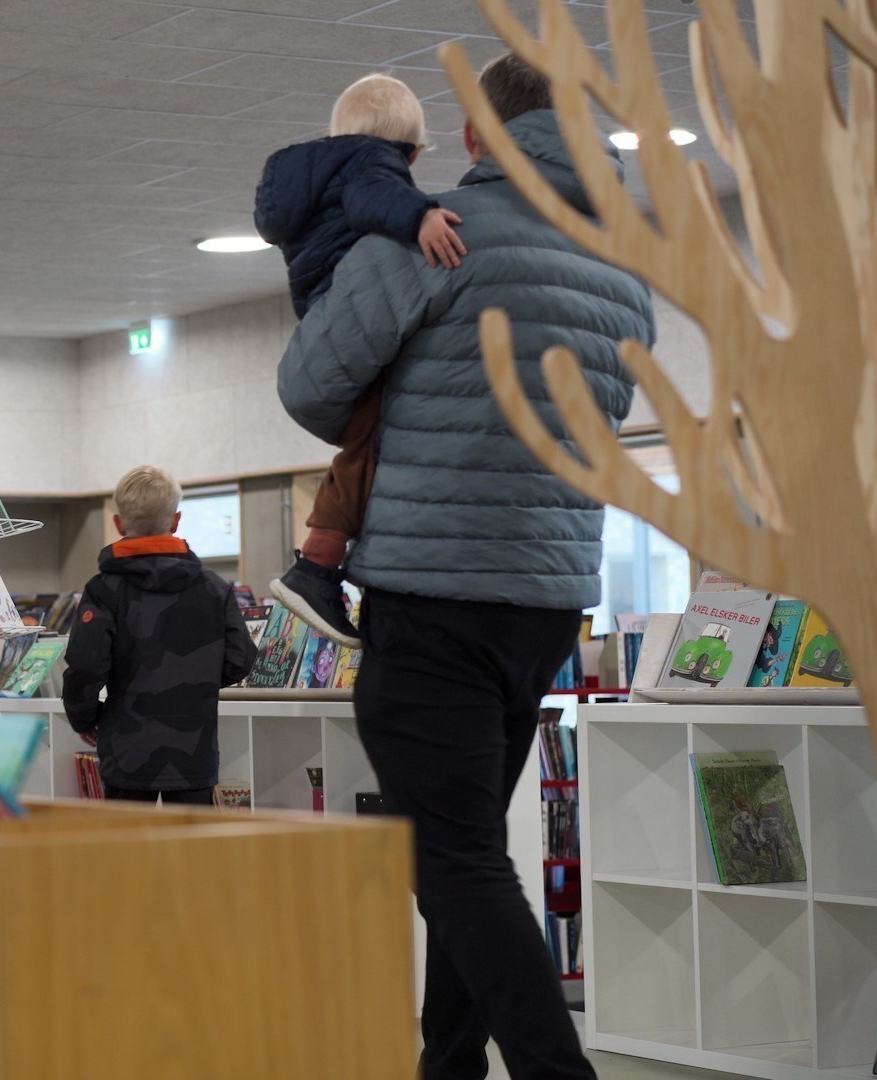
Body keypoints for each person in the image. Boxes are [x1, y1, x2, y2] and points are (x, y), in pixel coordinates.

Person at [278, 54, 654, 1080]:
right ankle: (448, 1067)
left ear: (477, 137)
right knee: (469, 851)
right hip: (548, 600)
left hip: (431, 593)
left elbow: (310, 386)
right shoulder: (622, 265)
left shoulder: (434, 233)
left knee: (451, 859)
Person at [256, 73, 468, 648]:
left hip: (320, 309)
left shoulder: (305, 174)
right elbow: (376, 196)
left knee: (369, 433)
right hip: (347, 303)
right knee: (377, 426)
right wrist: (420, 214)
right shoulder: (372, 165)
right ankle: (319, 561)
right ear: (413, 152)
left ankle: (324, 559)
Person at [61, 466, 257, 805]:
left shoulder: (104, 590)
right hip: (194, 748)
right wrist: (197, 679)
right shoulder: (214, 588)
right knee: (192, 853)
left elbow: (86, 663)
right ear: (176, 520)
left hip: (127, 749)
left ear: (119, 524)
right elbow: (241, 657)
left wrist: (84, 716)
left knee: (127, 852)